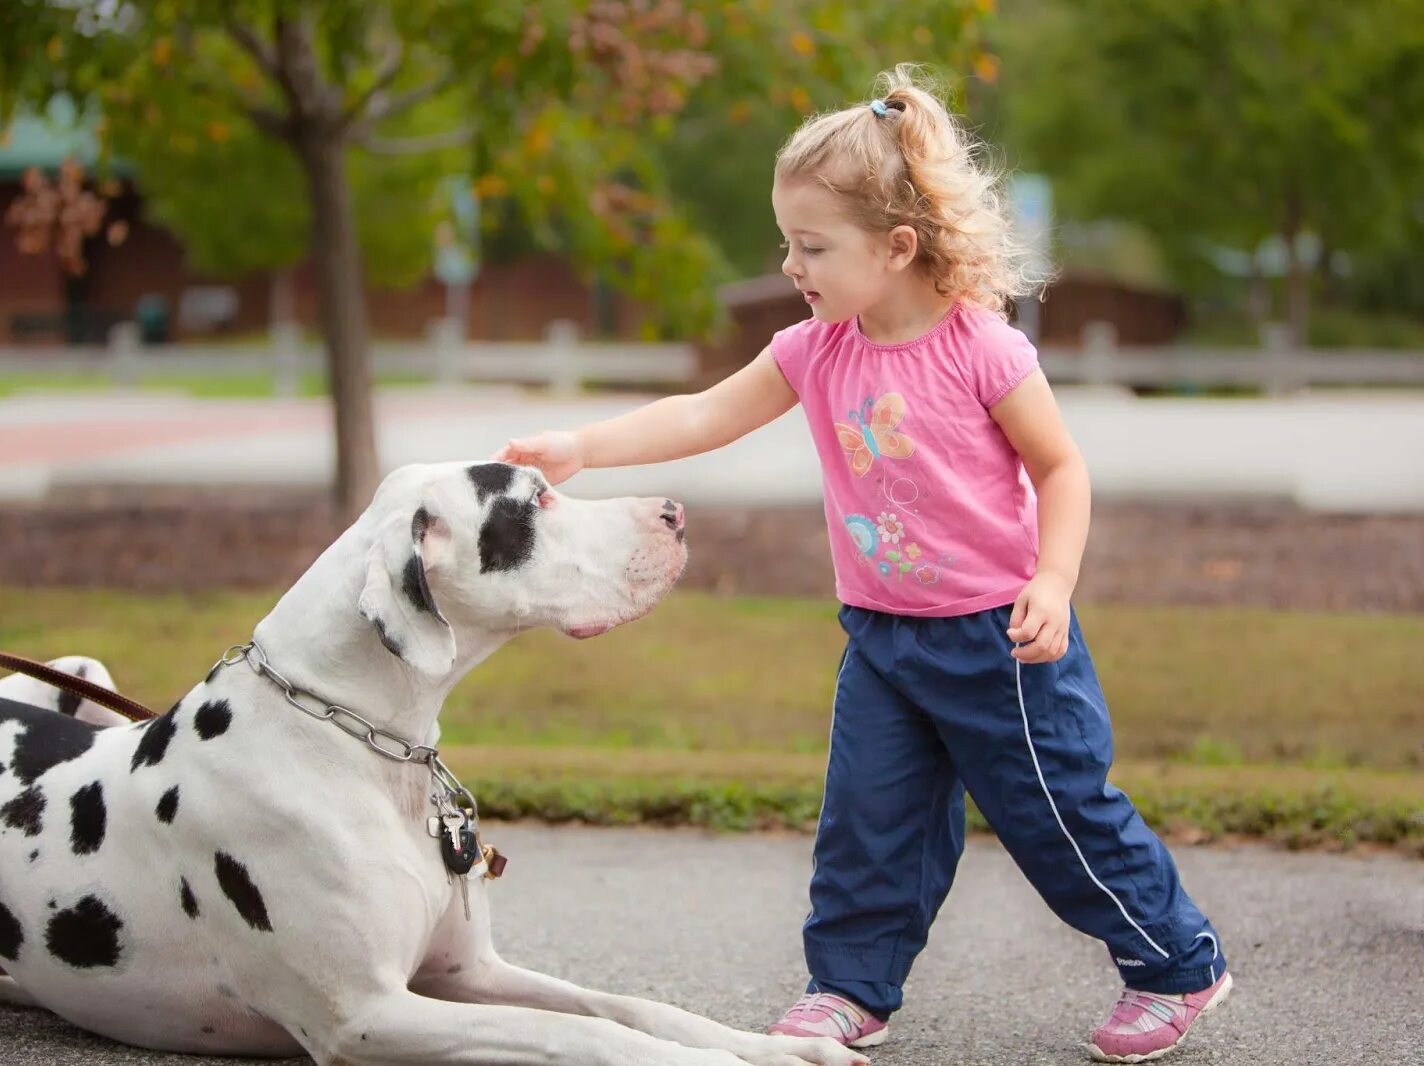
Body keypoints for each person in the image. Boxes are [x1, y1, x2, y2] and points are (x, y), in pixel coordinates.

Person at [493, 65, 1231, 1064]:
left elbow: (1060, 468)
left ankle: (1174, 962)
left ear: (895, 247)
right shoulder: (814, 349)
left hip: (998, 639)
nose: (791, 264)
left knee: (1056, 816)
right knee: (868, 825)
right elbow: (704, 411)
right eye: (788, 242)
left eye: (811, 246)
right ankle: (847, 988)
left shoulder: (983, 349)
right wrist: (588, 445)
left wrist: (1051, 581)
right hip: (881, 636)